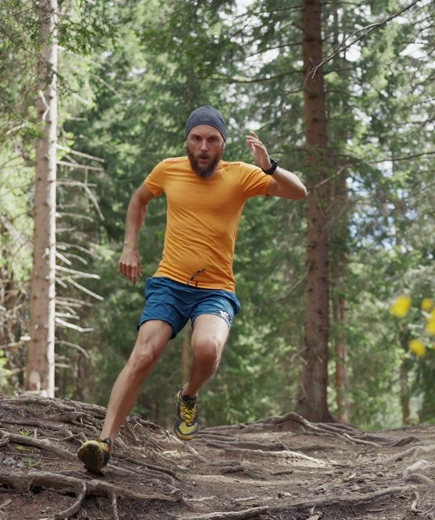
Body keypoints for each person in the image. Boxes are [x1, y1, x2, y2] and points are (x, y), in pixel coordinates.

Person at [77, 106, 308, 474]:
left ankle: (188, 395)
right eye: (196, 138)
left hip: (215, 289)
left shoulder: (241, 176)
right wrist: (130, 247)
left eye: (212, 140)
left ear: (222, 144)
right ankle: (104, 443)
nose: (203, 146)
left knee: (207, 347)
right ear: (187, 141)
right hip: (169, 283)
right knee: (144, 353)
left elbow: (299, 192)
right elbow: (139, 200)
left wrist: (269, 166)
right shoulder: (168, 170)